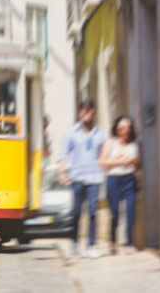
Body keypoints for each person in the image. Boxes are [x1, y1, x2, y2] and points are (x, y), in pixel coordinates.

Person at [57, 99, 106, 259]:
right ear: (79, 113)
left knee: (92, 211)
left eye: (89, 111)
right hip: (77, 177)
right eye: (83, 111)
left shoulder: (100, 133)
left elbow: (104, 155)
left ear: (93, 112)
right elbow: (62, 156)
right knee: (76, 213)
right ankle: (75, 245)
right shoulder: (71, 133)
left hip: (94, 177)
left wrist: (104, 170)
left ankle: (91, 245)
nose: (86, 114)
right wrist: (62, 174)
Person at [99, 115, 140, 255]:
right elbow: (103, 162)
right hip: (114, 179)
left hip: (129, 178)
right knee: (115, 213)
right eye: (121, 128)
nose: (124, 130)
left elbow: (138, 162)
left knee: (130, 211)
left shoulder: (134, 143)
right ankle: (112, 243)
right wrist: (120, 162)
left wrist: (132, 160)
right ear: (116, 129)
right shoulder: (110, 142)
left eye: (128, 127)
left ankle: (129, 243)